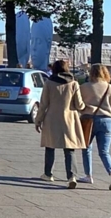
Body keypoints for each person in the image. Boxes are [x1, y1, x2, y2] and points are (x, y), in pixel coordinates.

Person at [35, 59, 86, 189]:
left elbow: (43, 104)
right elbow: (79, 105)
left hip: (52, 118)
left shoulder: (49, 83)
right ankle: (71, 176)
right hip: (70, 119)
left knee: (50, 146)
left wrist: (38, 120)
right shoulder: (74, 83)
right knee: (69, 149)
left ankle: (48, 174)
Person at [79, 63, 111, 190]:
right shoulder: (110, 88)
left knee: (86, 148)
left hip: (88, 119)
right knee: (104, 151)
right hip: (107, 120)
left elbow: (78, 104)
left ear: (91, 73)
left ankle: (88, 175)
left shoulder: (84, 87)